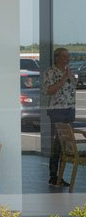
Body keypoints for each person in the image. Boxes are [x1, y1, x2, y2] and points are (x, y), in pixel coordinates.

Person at [44, 47, 76, 186]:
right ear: (57, 57)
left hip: (69, 110)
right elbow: (49, 90)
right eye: (64, 56)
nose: (67, 59)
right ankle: (53, 175)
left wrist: (69, 76)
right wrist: (64, 78)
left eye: (68, 56)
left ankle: (61, 176)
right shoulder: (50, 72)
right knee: (57, 144)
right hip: (57, 111)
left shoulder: (68, 72)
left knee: (66, 144)